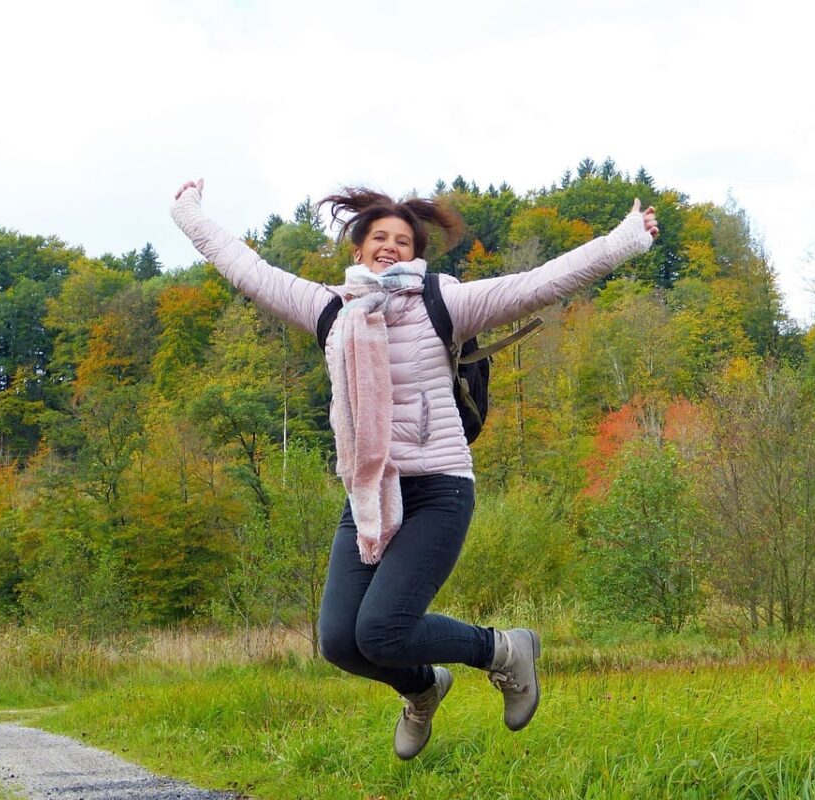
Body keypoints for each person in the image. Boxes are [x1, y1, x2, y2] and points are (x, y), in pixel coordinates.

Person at [170, 179, 658, 759]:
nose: (390, 247)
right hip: (371, 494)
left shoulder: (442, 301)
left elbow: (539, 284)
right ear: (358, 250)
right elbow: (247, 269)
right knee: (340, 642)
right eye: (379, 237)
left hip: (438, 489)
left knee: (382, 630)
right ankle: (423, 688)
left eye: (403, 240)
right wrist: (190, 215)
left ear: (416, 253)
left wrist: (623, 241)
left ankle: (504, 650)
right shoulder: (330, 309)